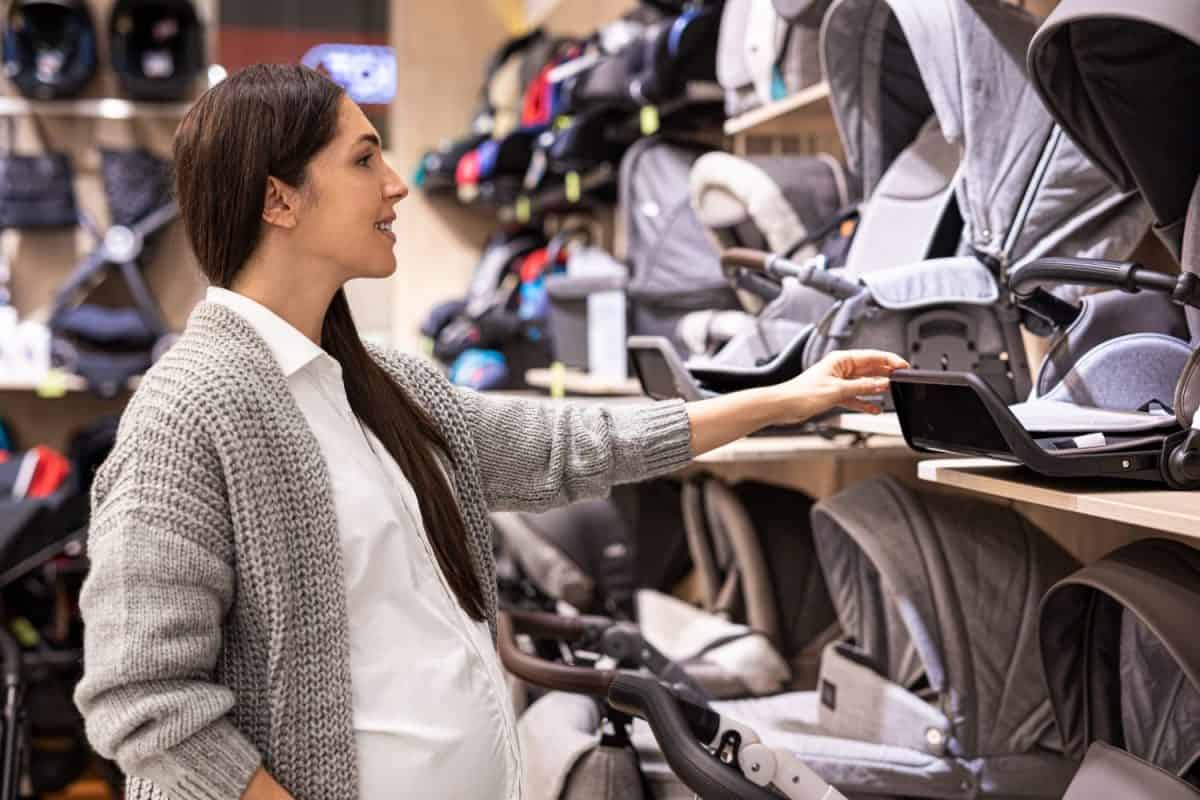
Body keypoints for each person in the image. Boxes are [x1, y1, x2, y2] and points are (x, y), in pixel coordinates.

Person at [74, 64, 907, 800]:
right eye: (364, 159)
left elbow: (570, 448)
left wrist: (783, 399)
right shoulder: (186, 417)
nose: (396, 184)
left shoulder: (385, 386)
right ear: (278, 198)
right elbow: (145, 702)